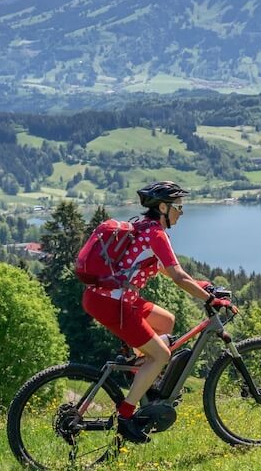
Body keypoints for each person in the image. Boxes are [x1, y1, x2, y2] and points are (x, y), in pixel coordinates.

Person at [81, 181, 213, 443]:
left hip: (110, 298)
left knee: (166, 321)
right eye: (178, 207)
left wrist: (203, 286)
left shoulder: (144, 227)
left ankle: (145, 386)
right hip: (114, 303)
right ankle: (126, 417)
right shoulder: (156, 234)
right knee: (161, 354)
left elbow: (164, 269)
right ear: (163, 207)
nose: (181, 212)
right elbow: (176, 276)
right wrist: (209, 298)